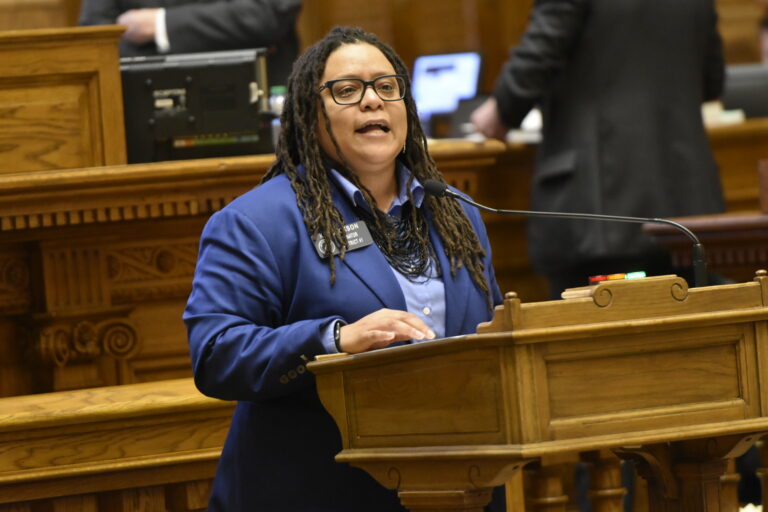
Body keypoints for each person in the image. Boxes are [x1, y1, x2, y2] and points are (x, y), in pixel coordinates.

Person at [183, 25, 504, 511]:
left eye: (387, 86)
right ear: (308, 114)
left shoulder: (456, 213)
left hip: (459, 486)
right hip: (321, 491)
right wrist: (333, 341)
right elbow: (216, 355)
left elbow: (493, 335)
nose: (373, 101)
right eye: (347, 90)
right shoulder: (256, 222)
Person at [471, 0, 726, 299]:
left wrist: (500, 110)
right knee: (691, 323)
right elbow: (712, 81)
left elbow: (539, 53)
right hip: (688, 210)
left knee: (596, 326)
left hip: (600, 211)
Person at [78, 0, 301, 85]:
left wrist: (161, 25)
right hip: (143, 106)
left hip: (252, 96)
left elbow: (270, 14)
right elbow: (96, 39)